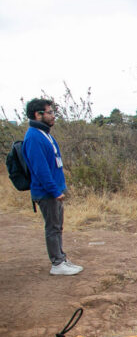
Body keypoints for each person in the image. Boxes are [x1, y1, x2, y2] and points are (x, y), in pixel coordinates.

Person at [22, 98, 83, 276]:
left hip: (53, 189)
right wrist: (54, 190)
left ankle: (61, 258)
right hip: (46, 192)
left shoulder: (44, 134)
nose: (53, 116)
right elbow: (40, 170)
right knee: (52, 227)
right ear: (38, 114)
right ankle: (57, 263)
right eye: (50, 112)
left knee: (57, 226)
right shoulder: (33, 137)